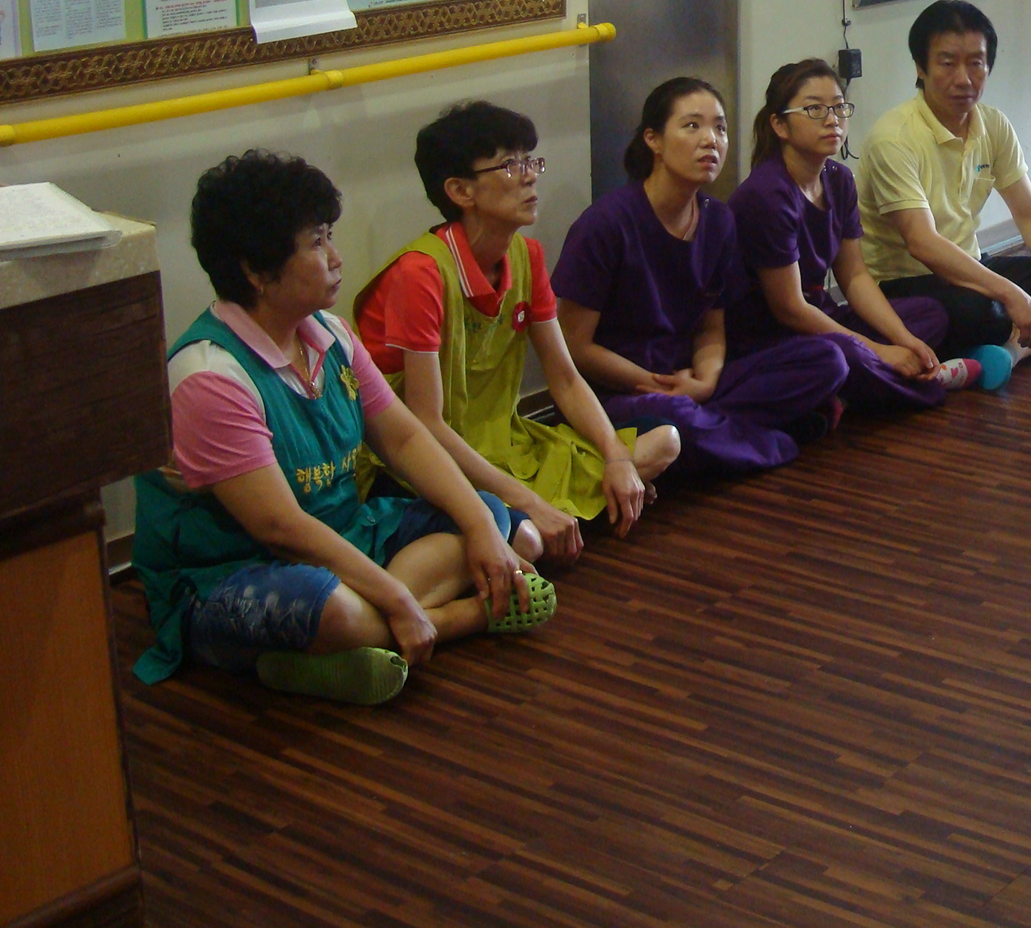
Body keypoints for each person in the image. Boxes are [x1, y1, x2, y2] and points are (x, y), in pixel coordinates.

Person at [133, 151, 552, 708]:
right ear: (255, 271)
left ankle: (353, 645)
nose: (336, 257)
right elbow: (280, 529)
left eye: (329, 236)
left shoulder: (329, 334)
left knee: (498, 523)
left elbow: (404, 438)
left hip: (346, 536)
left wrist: (478, 525)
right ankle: (457, 617)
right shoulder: (211, 376)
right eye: (316, 243)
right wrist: (397, 599)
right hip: (233, 572)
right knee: (334, 610)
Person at [355, 102, 681, 547]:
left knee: (664, 439)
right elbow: (427, 424)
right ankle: (541, 515)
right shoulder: (421, 273)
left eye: (530, 161)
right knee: (525, 536)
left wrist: (616, 458)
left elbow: (565, 379)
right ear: (460, 191)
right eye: (510, 165)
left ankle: (556, 509)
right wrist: (527, 501)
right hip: (426, 464)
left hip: (507, 445)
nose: (530, 176)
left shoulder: (526, 256)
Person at [553, 77, 850, 473]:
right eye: (692, 126)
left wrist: (706, 381)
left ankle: (713, 436)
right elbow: (575, 347)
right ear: (653, 140)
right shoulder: (605, 224)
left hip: (690, 380)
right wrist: (656, 383)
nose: (711, 140)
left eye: (720, 128)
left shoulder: (718, 220)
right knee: (677, 418)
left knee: (828, 360)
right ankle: (763, 439)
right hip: (621, 391)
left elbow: (711, 328)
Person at [857, 0, 1031, 387]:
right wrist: (1012, 296)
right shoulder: (894, 138)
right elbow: (922, 243)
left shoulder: (993, 125)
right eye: (947, 63)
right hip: (905, 282)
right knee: (981, 312)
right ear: (920, 66)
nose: (964, 78)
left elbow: (1030, 214)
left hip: (970, 266)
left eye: (976, 63)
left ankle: (1007, 354)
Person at [729, 58, 984, 407]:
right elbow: (789, 309)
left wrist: (903, 340)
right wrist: (878, 350)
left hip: (821, 316)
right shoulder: (767, 195)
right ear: (780, 125)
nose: (832, 119)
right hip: (772, 337)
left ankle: (846, 394)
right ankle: (926, 384)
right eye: (815, 109)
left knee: (929, 314)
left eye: (839, 107)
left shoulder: (839, 179)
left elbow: (855, 277)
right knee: (837, 358)